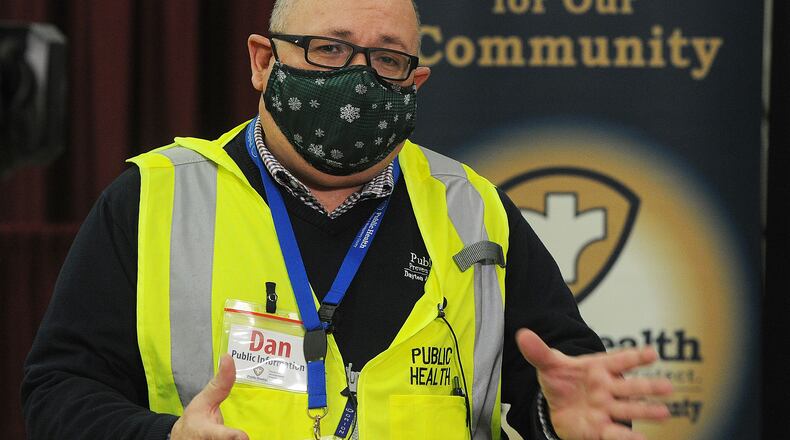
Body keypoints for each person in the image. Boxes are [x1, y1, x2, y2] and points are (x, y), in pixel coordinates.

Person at [21, 0, 673, 439]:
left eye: (386, 59)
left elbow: (563, 384)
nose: (358, 81)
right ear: (262, 60)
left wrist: (557, 420)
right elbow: (57, 389)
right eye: (329, 50)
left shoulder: (474, 211)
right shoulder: (155, 198)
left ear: (414, 83)